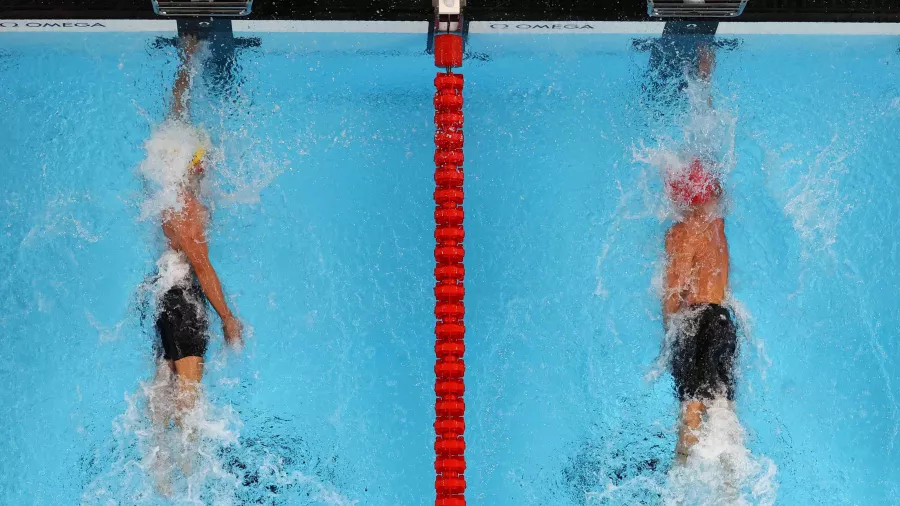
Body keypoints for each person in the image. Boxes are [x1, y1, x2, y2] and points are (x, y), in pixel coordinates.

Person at [148, 34, 242, 486]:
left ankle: (159, 473)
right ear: (196, 165)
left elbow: (175, 111)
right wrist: (228, 318)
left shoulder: (164, 188)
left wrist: (187, 62)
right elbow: (203, 270)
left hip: (163, 293)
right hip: (185, 300)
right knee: (189, 401)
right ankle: (188, 480)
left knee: (163, 389)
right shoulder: (188, 211)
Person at [662, 44, 737, 464]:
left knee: (690, 410)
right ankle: (729, 488)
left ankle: (681, 475)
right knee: (724, 412)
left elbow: (673, 294)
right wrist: (703, 79)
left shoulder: (680, 232)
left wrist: (667, 340)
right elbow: (705, 138)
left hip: (694, 321)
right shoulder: (718, 224)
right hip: (722, 319)